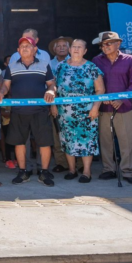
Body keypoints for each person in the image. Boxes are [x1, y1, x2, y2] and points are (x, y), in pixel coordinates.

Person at [0, 36, 56, 186]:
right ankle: (23, 172)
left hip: (40, 110)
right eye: (22, 46)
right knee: (20, 142)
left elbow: (51, 84)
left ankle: (44, 172)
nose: (24, 48)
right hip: (19, 111)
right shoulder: (12, 66)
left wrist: (51, 92)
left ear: (35, 49)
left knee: (44, 143)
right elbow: (6, 86)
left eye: (28, 46)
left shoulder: (44, 65)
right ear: (18, 50)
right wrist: (1, 92)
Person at [91, 31, 132, 184]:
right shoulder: (96, 61)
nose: (104, 47)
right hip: (104, 108)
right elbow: (93, 84)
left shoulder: (130, 60)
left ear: (118, 44)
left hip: (125, 108)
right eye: (102, 45)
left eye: (108, 43)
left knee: (126, 141)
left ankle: (127, 171)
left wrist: (122, 98)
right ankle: (108, 169)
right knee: (106, 140)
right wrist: (100, 99)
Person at [52, 39, 104, 183]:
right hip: (65, 112)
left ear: (85, 51)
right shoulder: (60, 66)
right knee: (67, 140)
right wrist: (53, 104)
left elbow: (100, 89)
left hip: (87, 111)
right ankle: (72, 170)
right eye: (74, 47)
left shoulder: (91, 67)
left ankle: (86, 171)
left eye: (79, 47)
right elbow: (54, 86)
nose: (76, 49)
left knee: (87, 141)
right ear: (70, 49)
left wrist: (95, 107)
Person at [45, 37, 72, 173]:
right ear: (54, 49)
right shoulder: (48, 64)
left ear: (69, 48)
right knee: (57, 135)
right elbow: (47, 85)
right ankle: (61, 163)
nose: (61, 48)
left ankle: (78, 163)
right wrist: (52, 104)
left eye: (64, 46)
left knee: (73, 134)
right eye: (58, 46)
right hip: (54, 103)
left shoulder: (75, 62)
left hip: (73, 105)